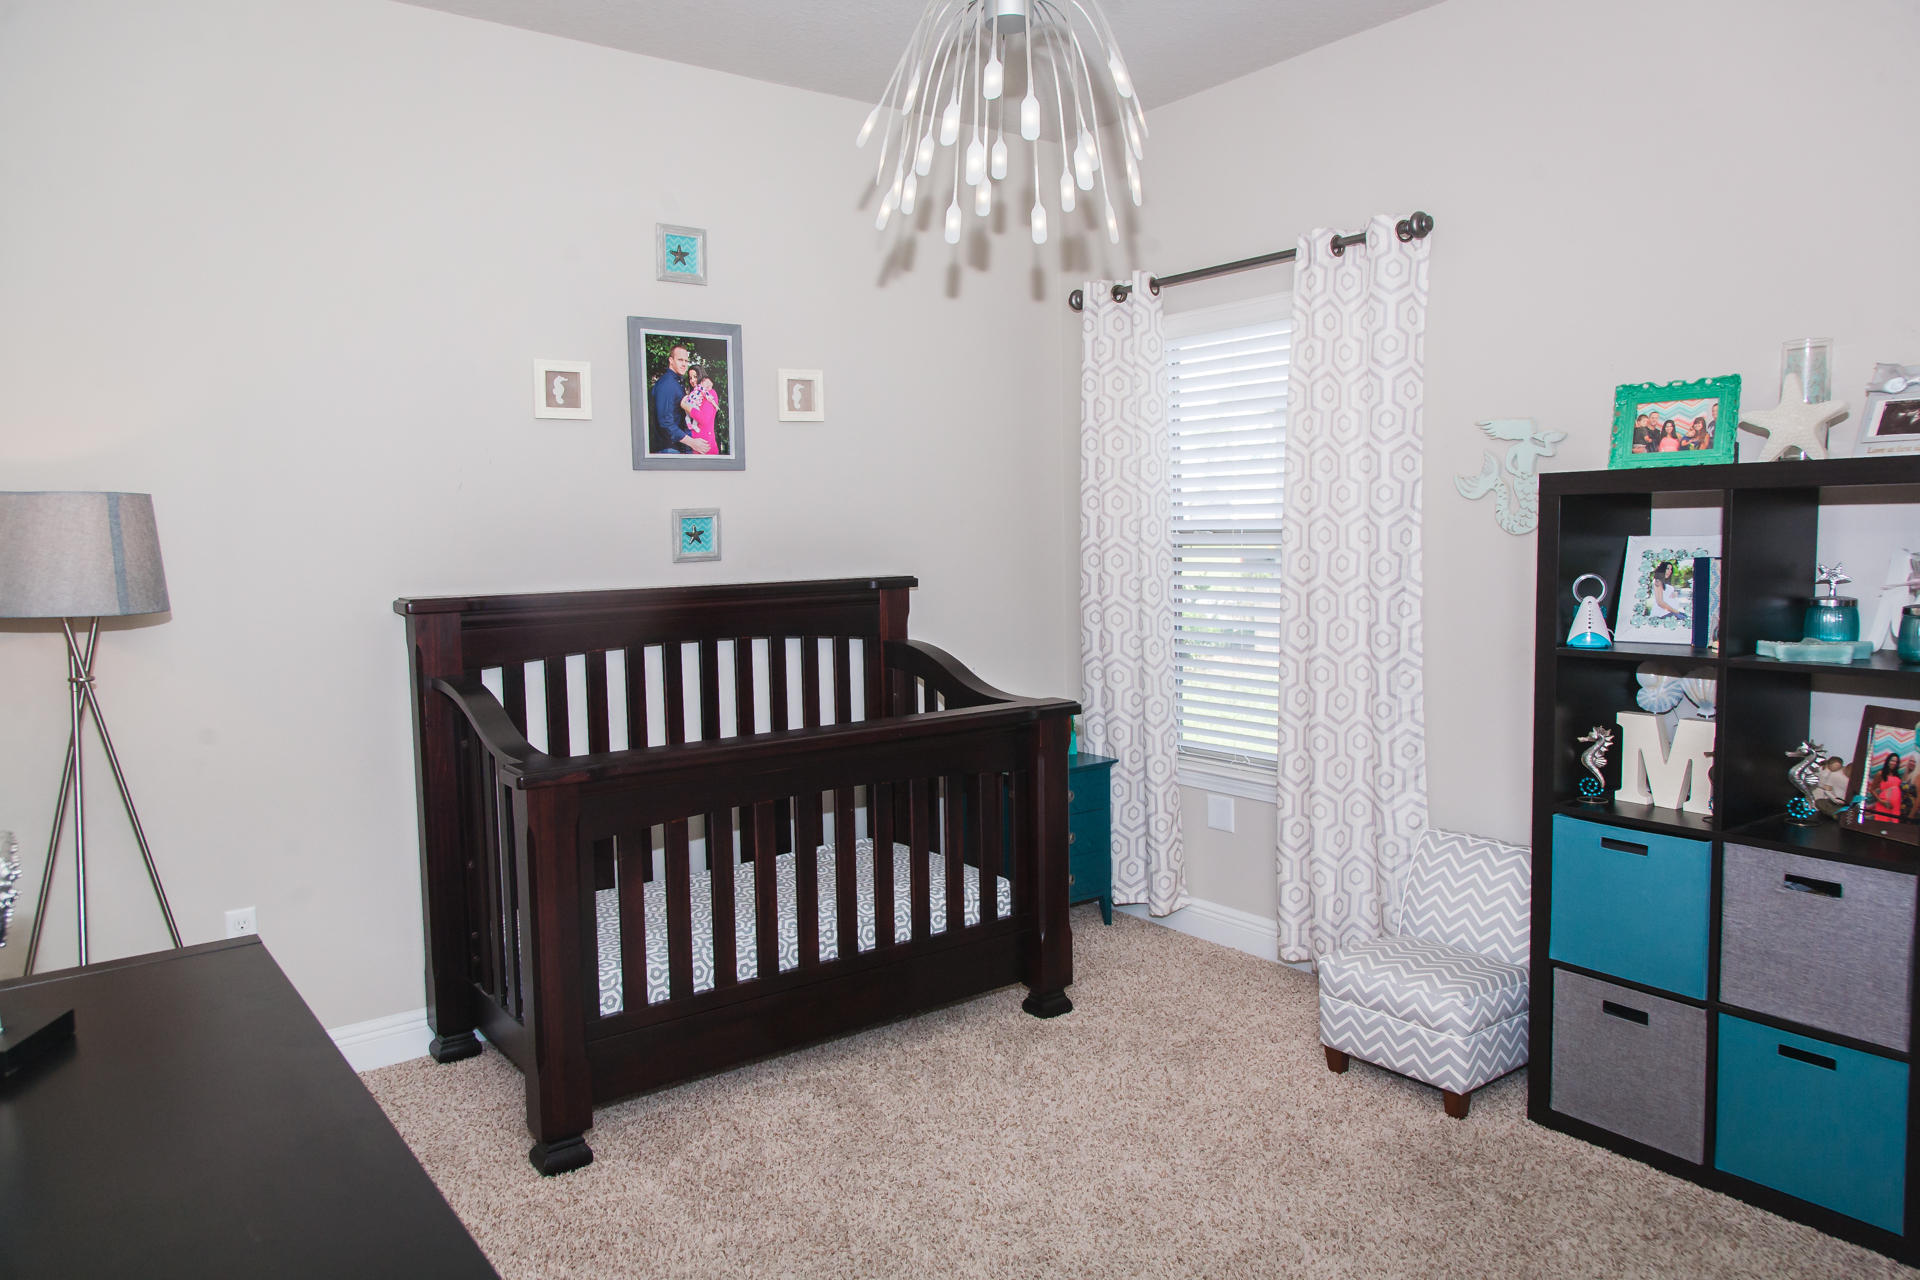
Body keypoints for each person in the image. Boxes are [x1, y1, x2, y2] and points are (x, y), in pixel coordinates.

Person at [649, 344, 695, 454]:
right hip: (668, 448)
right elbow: (665, 422)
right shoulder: (667, 383)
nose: (684, 364)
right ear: (671, 360)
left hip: (677, 447)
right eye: (680, 360)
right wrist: (693, 443)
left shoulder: (677, 383)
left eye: (686, 361)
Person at [680, 366, 720, 456]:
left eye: (695, 376)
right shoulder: (693, 396)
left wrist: (684, 406)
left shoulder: (710, 393)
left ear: (701, 376)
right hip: (692, 446)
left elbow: (704, 419)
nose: (693, 380)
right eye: (690, 378)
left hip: (705, 448)